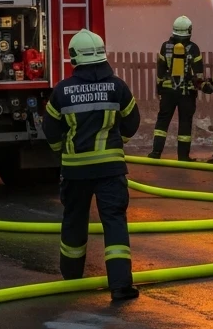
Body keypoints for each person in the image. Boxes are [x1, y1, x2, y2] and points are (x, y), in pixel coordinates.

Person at [44, 29, 141, 303]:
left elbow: (50, 130)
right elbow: (132, 123)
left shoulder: (62, 91)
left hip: (76, 171)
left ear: (73, 57)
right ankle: (121, 286)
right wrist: (116, 142)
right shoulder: (117, 87)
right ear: (102, 53)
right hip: (111, 170)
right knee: (114, 222)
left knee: (74, 220)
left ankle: (71, 278)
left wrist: (61, 154)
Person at [147, 15, 206, 162]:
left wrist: (160, 89)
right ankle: (183, 156)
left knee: (162, 121)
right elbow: (198, 73)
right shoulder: (194, 48)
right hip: (186, 93)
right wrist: (197, 88)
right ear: (189, 31)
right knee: (185, 122)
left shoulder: (165, 47)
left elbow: (160, 70)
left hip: (168, 92)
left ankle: (156, 152)